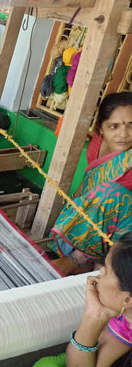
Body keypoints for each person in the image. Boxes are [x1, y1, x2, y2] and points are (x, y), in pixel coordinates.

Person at [21, 232, 132, 367]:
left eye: (105, 271)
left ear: (127, 299)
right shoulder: (126, 322)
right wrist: (93, 316)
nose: (98, 275)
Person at [51, 92, 132, 275]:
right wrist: (73, 212)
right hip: (98, 225)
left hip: (124, 235)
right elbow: (88, 184)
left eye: (131, 125)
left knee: (112, 192)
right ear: (101, 129)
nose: (123, 134)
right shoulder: (97, 145)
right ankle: (84, 255)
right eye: (114, 126)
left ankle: (80, 259)